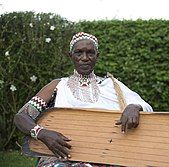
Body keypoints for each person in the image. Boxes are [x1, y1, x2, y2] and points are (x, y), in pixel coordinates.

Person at [14, 32, 153, 167]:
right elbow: (22, 116)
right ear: (71, 56)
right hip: (64, 157)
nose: (85, 57)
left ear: (97, 56)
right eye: (79, 52)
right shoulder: (58, 86)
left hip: (109, 155)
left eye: (90, 53)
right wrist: (42, 133)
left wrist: (134, 106)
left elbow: (145, 106)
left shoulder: (112, 85)